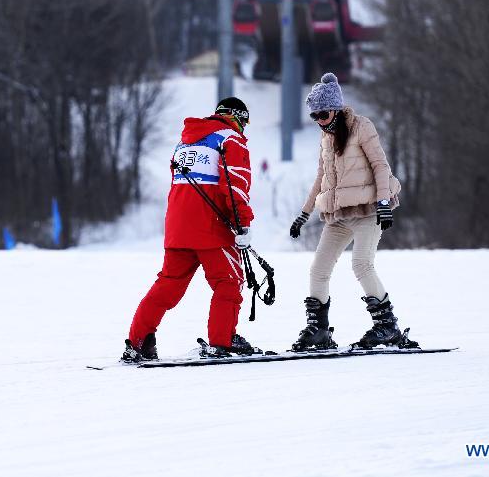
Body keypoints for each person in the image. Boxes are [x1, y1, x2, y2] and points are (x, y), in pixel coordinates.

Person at [288, 73, 417, 350]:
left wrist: (383, 203)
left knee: (361, 265)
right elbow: (320, 179)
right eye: (314, 116)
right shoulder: (326, 138)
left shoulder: (361, 127)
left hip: (368, 210)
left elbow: (381, 166)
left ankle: (387, 327)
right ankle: (318, 331)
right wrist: (304, 214)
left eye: (322, 114)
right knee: (318, 270)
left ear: (335, 108)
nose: (319, 120)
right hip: (338, 216)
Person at [122, 97, 256, 361]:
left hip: (177, 228)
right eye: (245, 122)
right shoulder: (230, 140)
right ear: (238, 117)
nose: (244, 129)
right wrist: (243, 224)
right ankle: (222, 341)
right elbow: (235, 186)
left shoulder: (185, 142)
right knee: (228, 284)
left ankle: (138, 341)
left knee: (168, 286)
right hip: (211, 228)